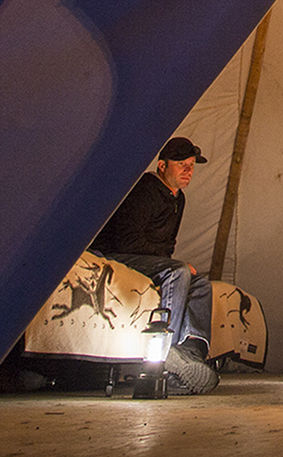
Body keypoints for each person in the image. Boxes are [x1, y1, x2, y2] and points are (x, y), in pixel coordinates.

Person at [91, 137, 215, 386]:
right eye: (181, 164)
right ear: (162, 166)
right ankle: (165, 352)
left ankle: (191, 351)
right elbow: (126, 239)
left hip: (150, 258)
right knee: (178, 272)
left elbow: (168, 246)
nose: (188, 171)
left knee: (201, 284)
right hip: (118, 256)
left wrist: (168, 260)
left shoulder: (178, 199)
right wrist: (169, 263)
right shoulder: (145, 190)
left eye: (191, 165)